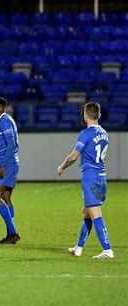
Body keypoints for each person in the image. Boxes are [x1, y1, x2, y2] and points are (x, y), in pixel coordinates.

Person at [57, 102, 114, 259]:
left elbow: (75, 155)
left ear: (85, 115)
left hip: (90, 178)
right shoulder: (104, 133)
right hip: (101, 176)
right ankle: (79, 247)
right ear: (99, 115)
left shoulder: (86, 133)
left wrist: (62, 166)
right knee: (87, 212)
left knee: (95, 212)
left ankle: (107, 250)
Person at [0, 97, 20, 244]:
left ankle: (13, 232)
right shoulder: (6, 120)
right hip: (10, 162)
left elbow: (11, 144)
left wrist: (3, 165)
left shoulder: (4, 120)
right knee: (6, 198)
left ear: (0, 108)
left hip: (6, 163)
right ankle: (10, 234)